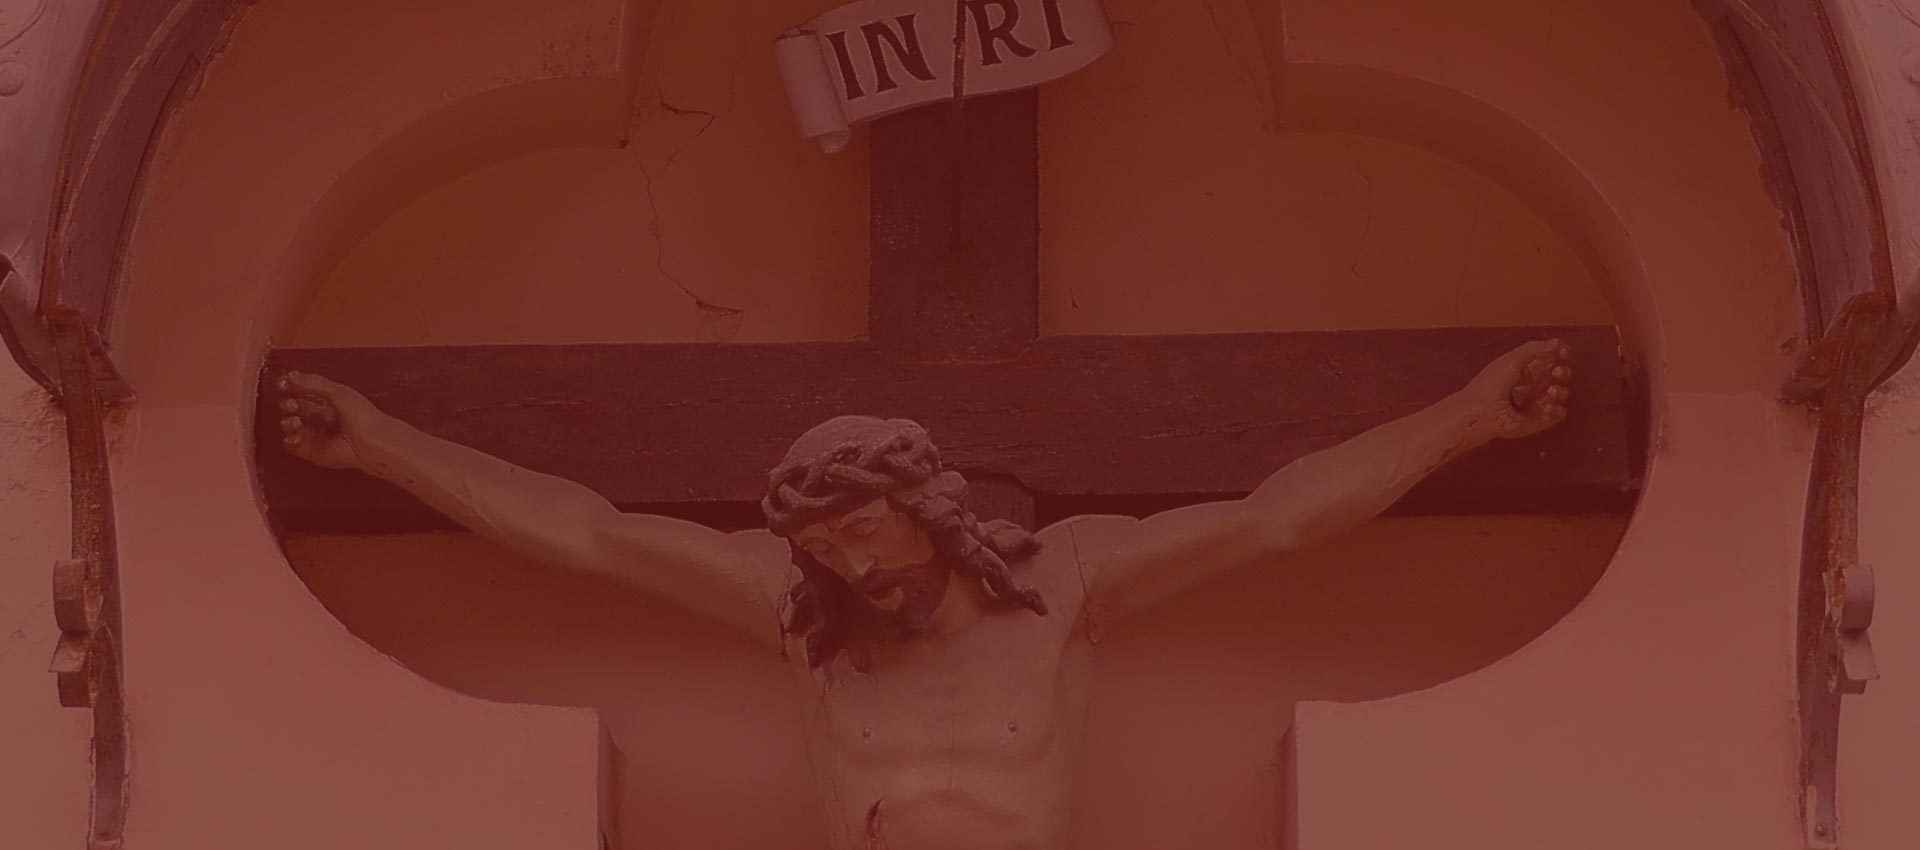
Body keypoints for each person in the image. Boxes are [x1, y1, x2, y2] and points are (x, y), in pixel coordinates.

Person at [276, 339, 1573, 850]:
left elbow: (1275, 518)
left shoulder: (1069, 582)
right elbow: (588, 534)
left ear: (933, 507)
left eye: (867, 533)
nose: (854, 568)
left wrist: (1470, 418)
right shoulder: (799, 616)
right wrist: (379, 444)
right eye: (825, 549)